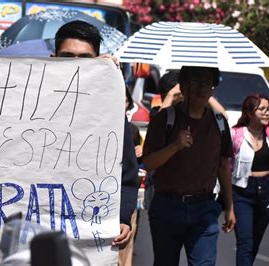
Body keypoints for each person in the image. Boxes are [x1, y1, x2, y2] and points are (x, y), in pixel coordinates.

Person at [54, 21, 139, 265]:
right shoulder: (24, 101)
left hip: (88, 230)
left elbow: (127, 172)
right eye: (67, 57)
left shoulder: (109, 110)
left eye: (85, 58)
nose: (77, 64)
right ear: (52, 58)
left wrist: (123, 218)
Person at [143, 66, 235, 266]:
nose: (202, 88)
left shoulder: (219, 123)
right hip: (167, 207)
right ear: (182, 86)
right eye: (195, 82)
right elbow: (149, 163)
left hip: (204, 209)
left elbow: (223, 166)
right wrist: (175, 146)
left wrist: (229, 206)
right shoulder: (164, 119)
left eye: (207, 83)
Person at [230, 93, 269, 265]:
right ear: (250, 113)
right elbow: (223, 163)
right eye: (262, 109)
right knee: (245, 242)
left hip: (267, 191)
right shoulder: (236, 135)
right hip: (242, 193)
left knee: (255, 243)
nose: (267, 113)